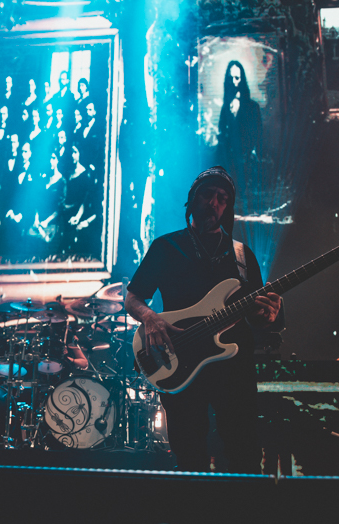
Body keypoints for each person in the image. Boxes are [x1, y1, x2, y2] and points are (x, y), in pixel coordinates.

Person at [125, 167, 281, 474]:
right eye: (208, 194)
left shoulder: (242, 256)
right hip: (180, 362)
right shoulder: (166, 247)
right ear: (192, 199)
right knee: (189, 458)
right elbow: (132, 298)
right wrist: (150, 318)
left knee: (245, 456)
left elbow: (256, 317)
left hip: (234, 369)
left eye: (222, 198)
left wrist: (267, 316)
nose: (214, 202)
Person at [217, 61, 263, 208]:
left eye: (237, 78)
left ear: (242, 79)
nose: (234, 82)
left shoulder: (253, 107)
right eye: (231, 78)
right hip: (230, 159)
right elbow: (222, 131)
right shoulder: (225, 108)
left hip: (247, 158)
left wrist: (252, 152)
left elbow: (257, 134)